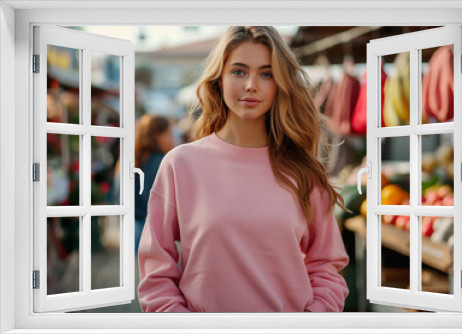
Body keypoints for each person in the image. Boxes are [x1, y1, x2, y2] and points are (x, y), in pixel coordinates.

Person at [138, 26, 349, 313]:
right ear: (219, 80)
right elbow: (156, 270)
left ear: (280, 84)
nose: (251, 84)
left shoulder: (304, 173)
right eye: (239, 71)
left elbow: (327, 267)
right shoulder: (180, 165)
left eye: (266, 73)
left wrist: (311, 322)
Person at [133, 114, 174, 254]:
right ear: (158, 136)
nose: (172, 141)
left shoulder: (132, 157)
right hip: (148, 227)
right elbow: (155, 201)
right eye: (169, 135)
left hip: (131, 226)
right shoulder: (159, 161)